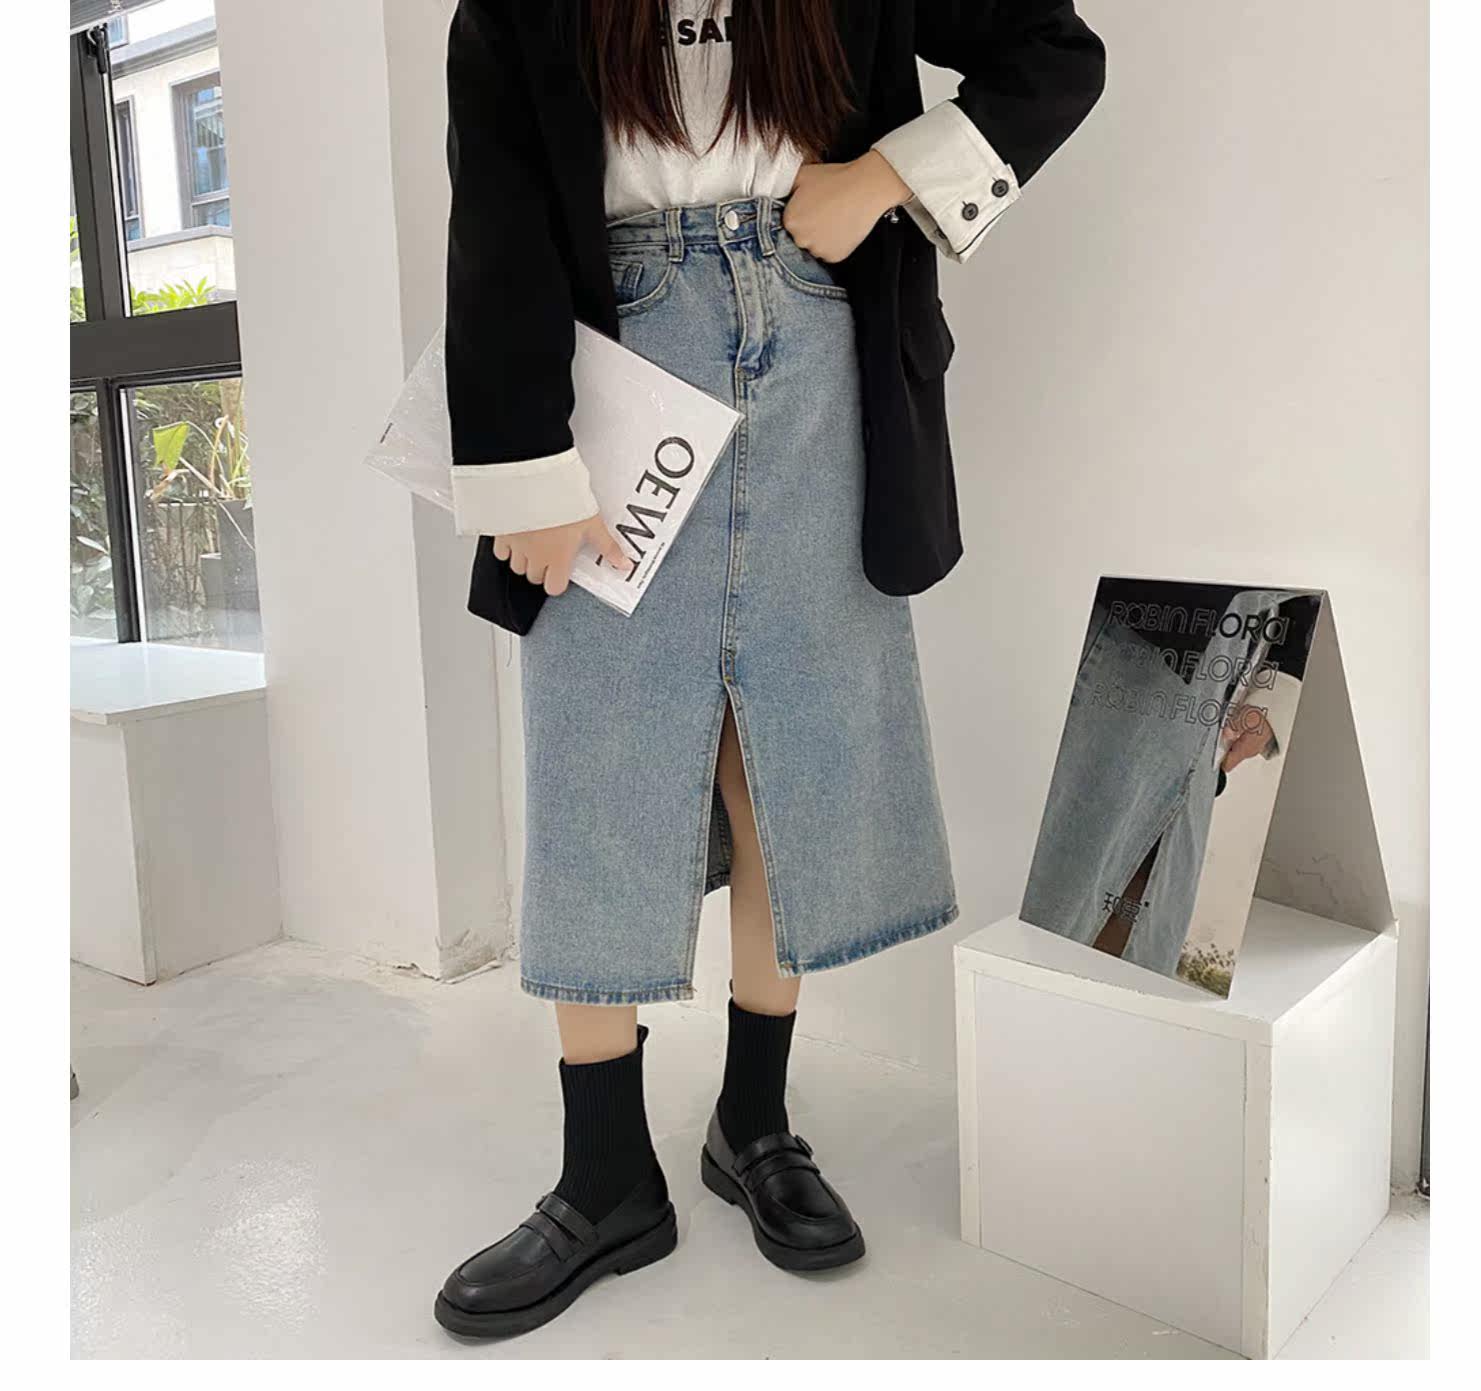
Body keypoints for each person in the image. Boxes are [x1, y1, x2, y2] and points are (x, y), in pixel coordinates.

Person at [434, 0, 1105, 1338]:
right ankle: (605, 1174)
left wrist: (885, 176)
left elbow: (1052, 52)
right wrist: (521, 462)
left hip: (816, 335)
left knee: (786, 749)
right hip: (615, 351)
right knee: (599, 759)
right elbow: (496, 207)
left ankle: (753, 1120)